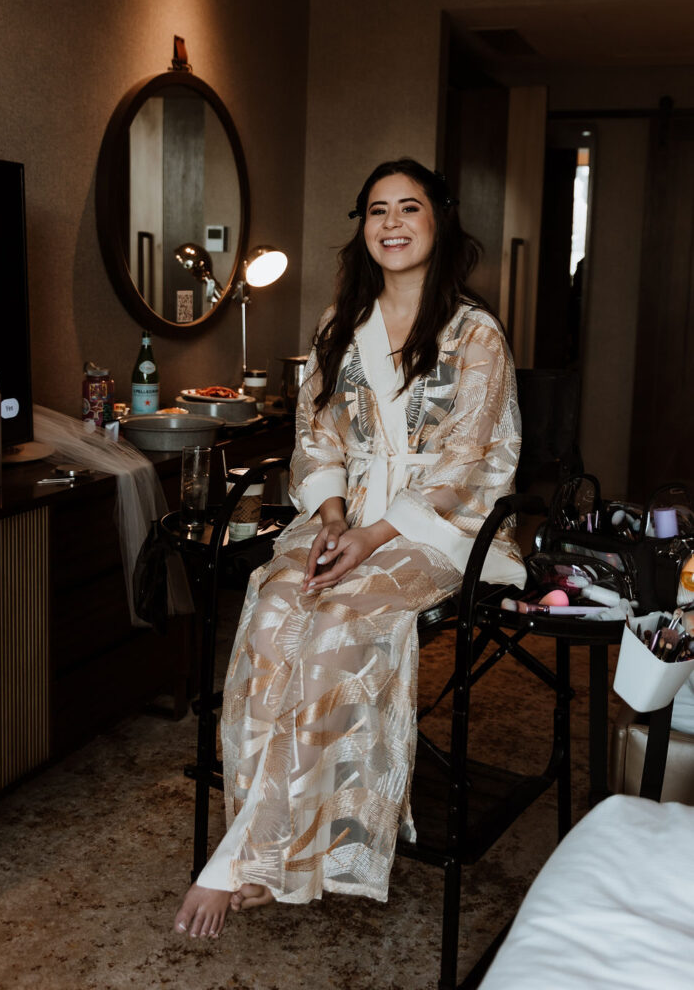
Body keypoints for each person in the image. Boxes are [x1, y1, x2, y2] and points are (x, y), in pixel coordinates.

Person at [174, 157, 527, 940]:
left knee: (337, 628)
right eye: (376, 211)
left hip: (438, 529)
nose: (392, 223)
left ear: (439, 220)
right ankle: (271, 839)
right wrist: (332, 515)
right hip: (346, 516)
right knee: (271, 617)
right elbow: (314, 437)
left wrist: (373, 537)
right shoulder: (341, 329)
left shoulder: (477, 335)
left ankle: (255, 858)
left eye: (408, 208)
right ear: (362, 228)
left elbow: (473, 460)